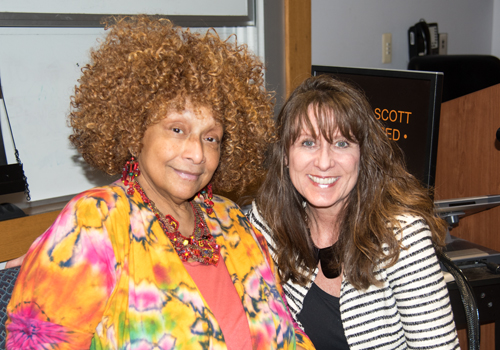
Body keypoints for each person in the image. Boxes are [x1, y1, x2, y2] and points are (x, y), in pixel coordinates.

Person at [5, 16, 314, 350]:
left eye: (211, 138)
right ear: (135, 133)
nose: (196, 153)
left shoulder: (234, 222)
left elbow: (290, 336)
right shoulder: (95, 222)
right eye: (177, 129)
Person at [248, 75, 460, 350]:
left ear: (363, 154)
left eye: (341, 143)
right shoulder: (269, 220)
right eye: (308, 143)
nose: (324, 162)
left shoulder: (403, 238)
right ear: (286, 155)